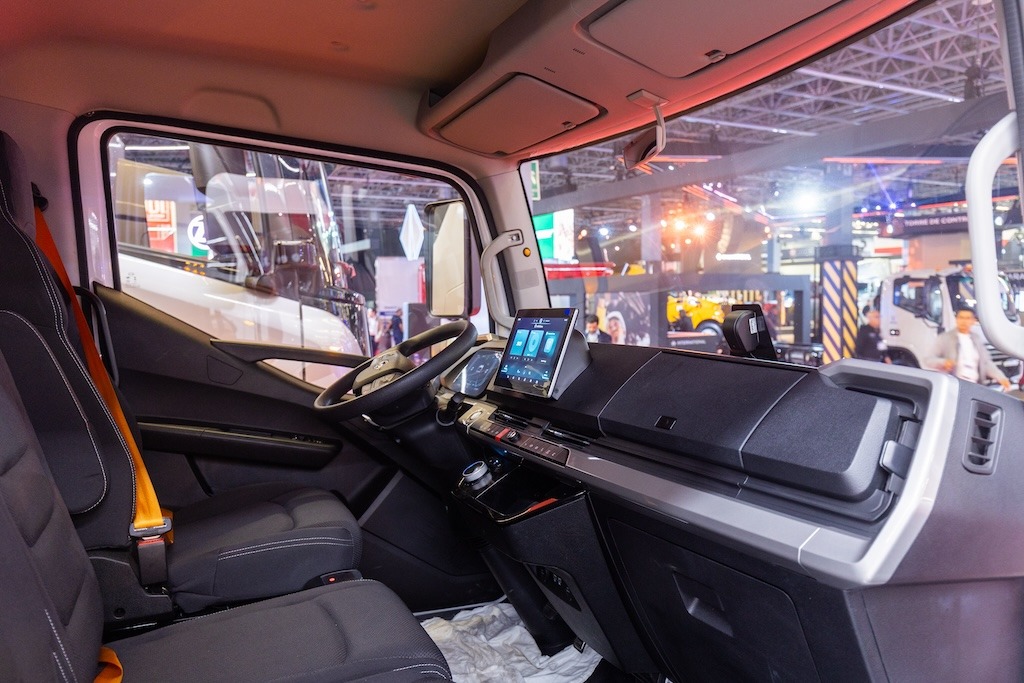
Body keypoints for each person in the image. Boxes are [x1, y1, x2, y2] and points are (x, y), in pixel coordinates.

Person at [927, 305, 1011, 390]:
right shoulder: (945, 338)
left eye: (967, 318)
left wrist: (1000, 377)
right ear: (956, 319)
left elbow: (986, 363)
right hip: (954, 385)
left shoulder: (976, 339)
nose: (964, 321)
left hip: (975, 384)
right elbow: (928, 360)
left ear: (973, 321)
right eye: (961, 318)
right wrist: (943, 363)